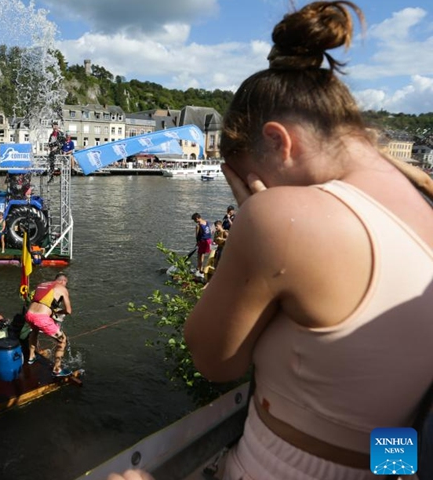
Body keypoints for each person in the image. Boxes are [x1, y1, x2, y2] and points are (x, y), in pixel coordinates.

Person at [183, 3, 433, 479]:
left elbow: (212, 360)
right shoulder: (422, 199)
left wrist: (253, 218)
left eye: (248, 176)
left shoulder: (281, 219)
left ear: (280, 143)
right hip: (392, 464)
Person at [25, 272, 72, 376]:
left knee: (35, 331)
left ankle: (31, 357)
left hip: (29, 314)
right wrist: (58, 312)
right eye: (65, 283)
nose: (65, 285)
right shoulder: (62, 288)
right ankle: (57, 369)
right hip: (41, 318)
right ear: (63, 281)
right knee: (62, 340)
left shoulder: (42, 284)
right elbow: (68, 311)